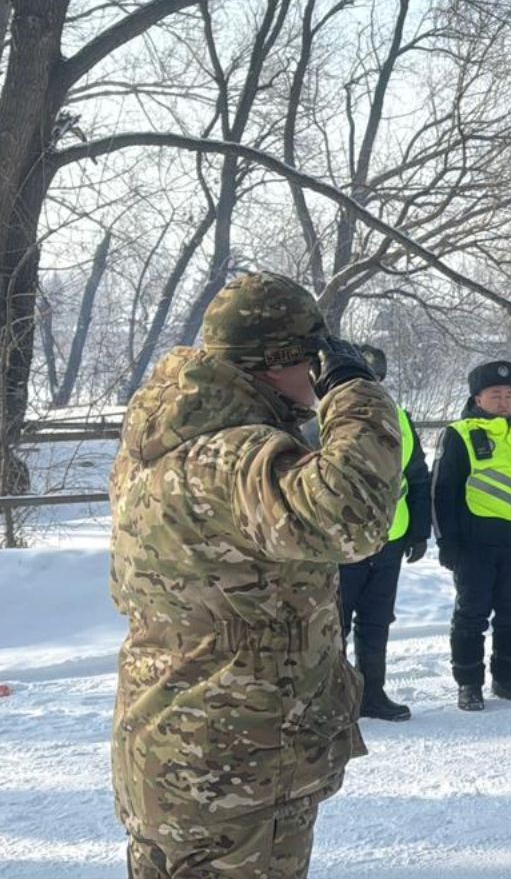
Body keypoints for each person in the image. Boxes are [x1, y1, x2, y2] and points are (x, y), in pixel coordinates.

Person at [110, 272, 401, 879]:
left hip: (167, 748)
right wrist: (355, 392)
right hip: (236, 765)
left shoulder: (163, 445)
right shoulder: (231, 456)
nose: (318, 374)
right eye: (313, 359)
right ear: (278, 362)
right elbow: (355, 517)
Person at [433, 361, 511, 710]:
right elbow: (442, 492)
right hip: (476, 544)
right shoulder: (459, 433)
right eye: (495, 395)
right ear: (478, 397)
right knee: (471, 614)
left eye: (509, 394)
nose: (503, 401)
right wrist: (447, 540)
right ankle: (469, 684)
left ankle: (508, 679)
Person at [333, 344, 432, 722]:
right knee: (334, 624)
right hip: (341, 543)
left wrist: (420, 531)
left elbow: (418, 478)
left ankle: (372, 692)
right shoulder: (323, 419)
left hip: (390, 539)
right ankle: (336, 697)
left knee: (376, 619)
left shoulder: (399, 418)